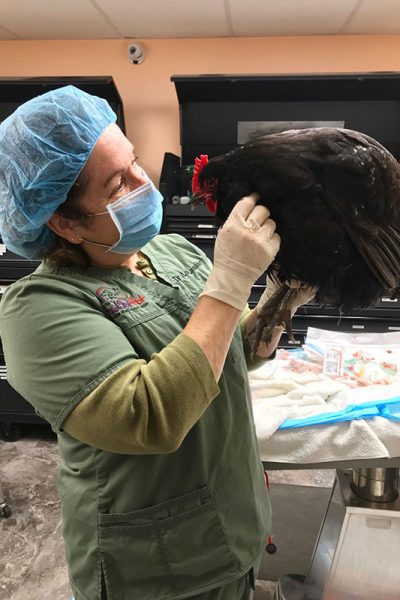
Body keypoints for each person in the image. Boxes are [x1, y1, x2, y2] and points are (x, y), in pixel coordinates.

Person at [0, 86, 314, 600]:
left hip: (233, 522)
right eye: (116, 183)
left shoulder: (168, 251)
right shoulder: (37, 308)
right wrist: (231, 280)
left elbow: (219, 352)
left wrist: (278, 302)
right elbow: (149, 416)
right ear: (63, 222)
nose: (143, 181)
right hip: (156, 565)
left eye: (135, 161)